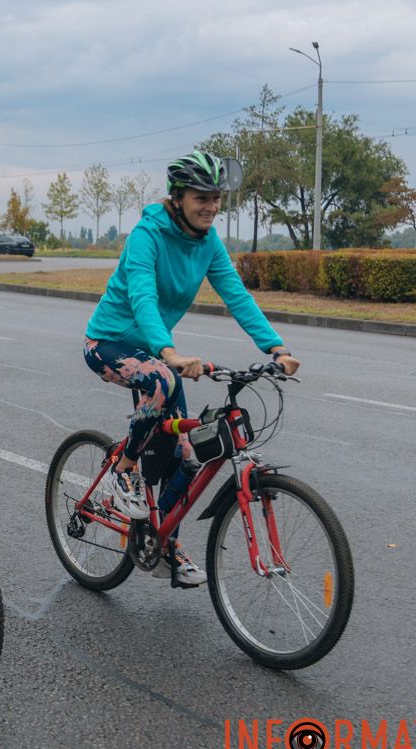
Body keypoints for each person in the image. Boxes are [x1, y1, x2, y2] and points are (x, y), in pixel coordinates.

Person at [83, 150, 300, 587]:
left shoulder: (208, 243)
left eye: (217, 197)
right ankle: (123, 472)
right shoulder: (148, 235)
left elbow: (237, 295)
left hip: (158, 354)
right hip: (110, 343)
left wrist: (276, 347)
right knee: (163, 381)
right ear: (178, 197)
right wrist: (169, 352)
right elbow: (143, 296)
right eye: (202, 196)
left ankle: (165, 544)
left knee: (189, 452)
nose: (211, 205)